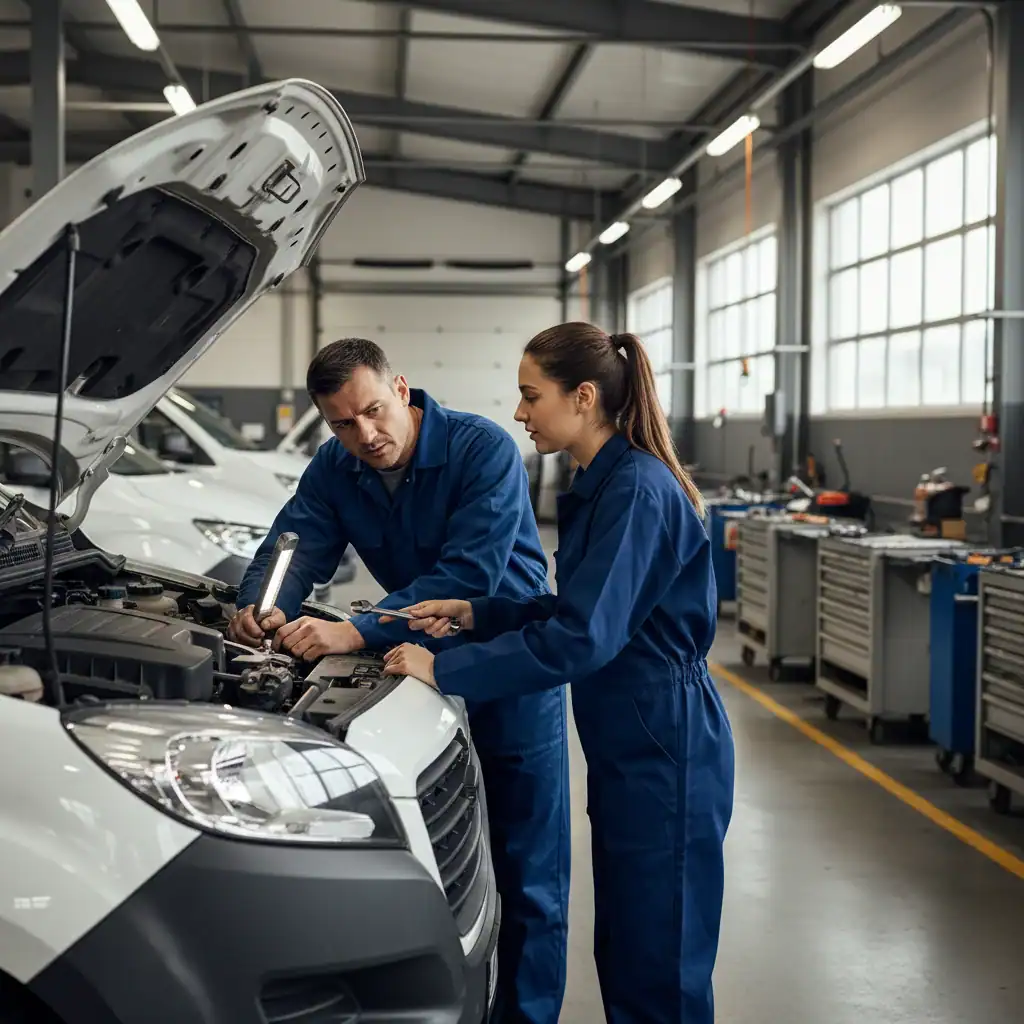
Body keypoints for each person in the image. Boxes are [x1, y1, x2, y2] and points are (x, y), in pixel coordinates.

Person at [381, 322, 735, 1024]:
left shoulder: (636, 489)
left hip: (666, 738)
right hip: (634, 735)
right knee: (631, 941)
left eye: (529, 396)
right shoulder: (605, 483)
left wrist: (443, 668)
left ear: (582, 398)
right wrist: (479, 614)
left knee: (659, 957)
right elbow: (582, 607)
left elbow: (582, 639)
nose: (518, 413)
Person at [227, 338, 570, 1024]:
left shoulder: (483, 450)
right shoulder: (336, 466)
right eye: (343, 424)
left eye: (375, 411)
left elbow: (469, 574)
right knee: (440, 858)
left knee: (530, 872)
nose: (366, 435)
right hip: (413, 660)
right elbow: (294, 544)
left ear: (402, 388)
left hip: (508, 659)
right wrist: (260, 603)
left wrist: (358, 630)